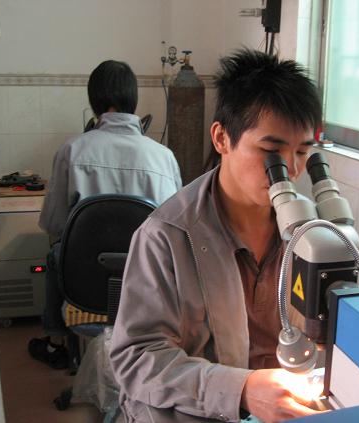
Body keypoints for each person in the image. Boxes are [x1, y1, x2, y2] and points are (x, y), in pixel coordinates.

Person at [110, 49, 324, 423]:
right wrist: (240, 389)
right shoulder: (166, 236)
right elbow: (135, 358)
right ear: (222, 138)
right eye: (271, 151)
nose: (290, 170)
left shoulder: (311, 231)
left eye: (303, 152)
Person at [29, 60, 182, 369]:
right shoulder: (164, 157)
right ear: (133, 98)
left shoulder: (72, 151)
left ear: (94, 100)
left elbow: (53, 224)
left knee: (55, 254)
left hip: (86, 286)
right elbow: (174, 230)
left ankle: (57, 342)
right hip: (147, 287)